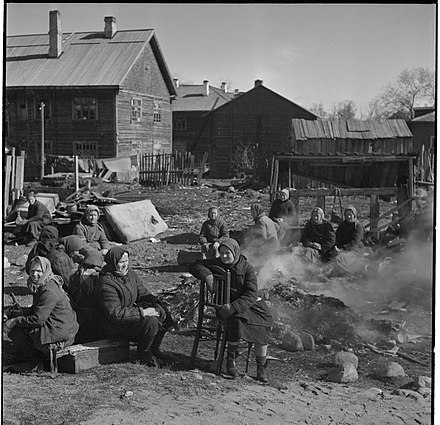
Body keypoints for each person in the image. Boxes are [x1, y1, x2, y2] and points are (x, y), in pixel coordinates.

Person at [188, 238, 273, 383]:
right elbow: (194, 265)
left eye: (228, 253)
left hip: (245, 304)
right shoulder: (217, 263)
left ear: (235, 252)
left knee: (265, 321)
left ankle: (261, 367)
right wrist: (208, 276)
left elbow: (251, 295)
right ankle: (230, 361)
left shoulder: (247, 268)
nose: (224, 256)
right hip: (225, 307)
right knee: (236, 320)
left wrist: (234, 307)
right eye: (221, 253)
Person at [94, 247, 174, 365]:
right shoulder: (106, 283)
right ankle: (144, 354)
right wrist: (143, 312)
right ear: (113, 262)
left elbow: (143, 293)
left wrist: (156, 303)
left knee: (164, 313)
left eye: (126, 261)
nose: (125, 265)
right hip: (113, 326)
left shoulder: (130, 274)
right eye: (121, 262)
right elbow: (115, 314)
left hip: (128, 316)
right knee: (150, 322)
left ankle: (154, 349)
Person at [3, 256, 79, 373]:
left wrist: (14, 321)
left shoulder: (48, 290)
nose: (35, 274)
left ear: (46, 270)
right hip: (62, 329)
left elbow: (38, 319)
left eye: (39, 271)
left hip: (59, 335)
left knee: (15, 330)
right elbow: (38, 309)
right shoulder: (46, 283)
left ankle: (34, 362)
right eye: (32, 271)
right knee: (17, 319)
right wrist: (21, 313)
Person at [331, 206, 367, 275]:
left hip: (354, 249)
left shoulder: (358, 227)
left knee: (339, 258)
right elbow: (337, 237)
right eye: (347, 215)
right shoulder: (342, 225)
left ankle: (343, 272)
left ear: (354, 215)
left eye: (350, 215)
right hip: (341, 248)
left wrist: (342, 249)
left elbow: (354, 242)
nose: (349, 217)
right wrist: (335, 246)